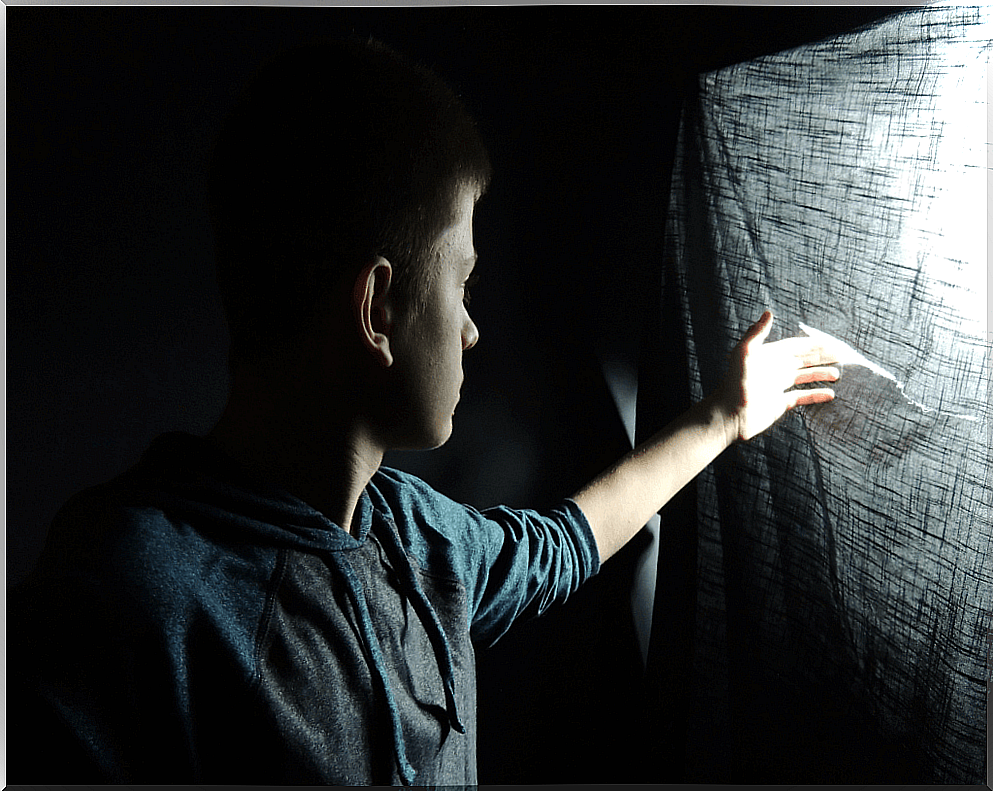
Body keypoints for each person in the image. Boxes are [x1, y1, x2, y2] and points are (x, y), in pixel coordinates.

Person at [7, 36, 840, 785]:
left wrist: (724, 414)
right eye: (462, 283)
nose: (474, 329)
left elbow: (560, 544)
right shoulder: (125, 594)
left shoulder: (415, 534)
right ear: (377, 308)